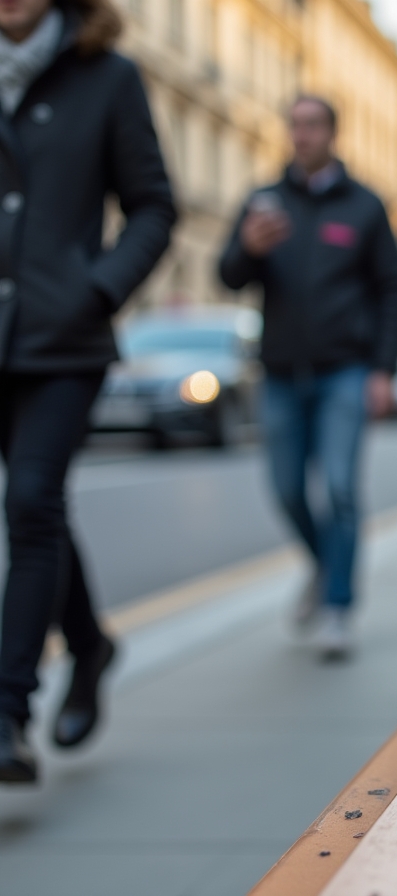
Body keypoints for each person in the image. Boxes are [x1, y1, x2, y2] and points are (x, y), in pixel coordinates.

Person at [0, 0, 176, 783]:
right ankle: (91, 643)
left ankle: (5, 714)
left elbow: (153, 207)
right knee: (36, 507)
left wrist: (97, 287)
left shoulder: (109, 78)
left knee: (32, 499)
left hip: (61, 339)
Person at [218, 96, 397, 661]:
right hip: (279, 373)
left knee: (342, 490)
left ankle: (338, 609)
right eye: (294, 125)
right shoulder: (263, 201)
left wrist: (383, 370)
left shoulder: (365, 207)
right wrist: (249, 249)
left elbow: (391, 289)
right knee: (285, 489)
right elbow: (227, 276)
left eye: (312, 125)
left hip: (345, 372)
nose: (301, 135)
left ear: (332, 132)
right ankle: (326, 565)